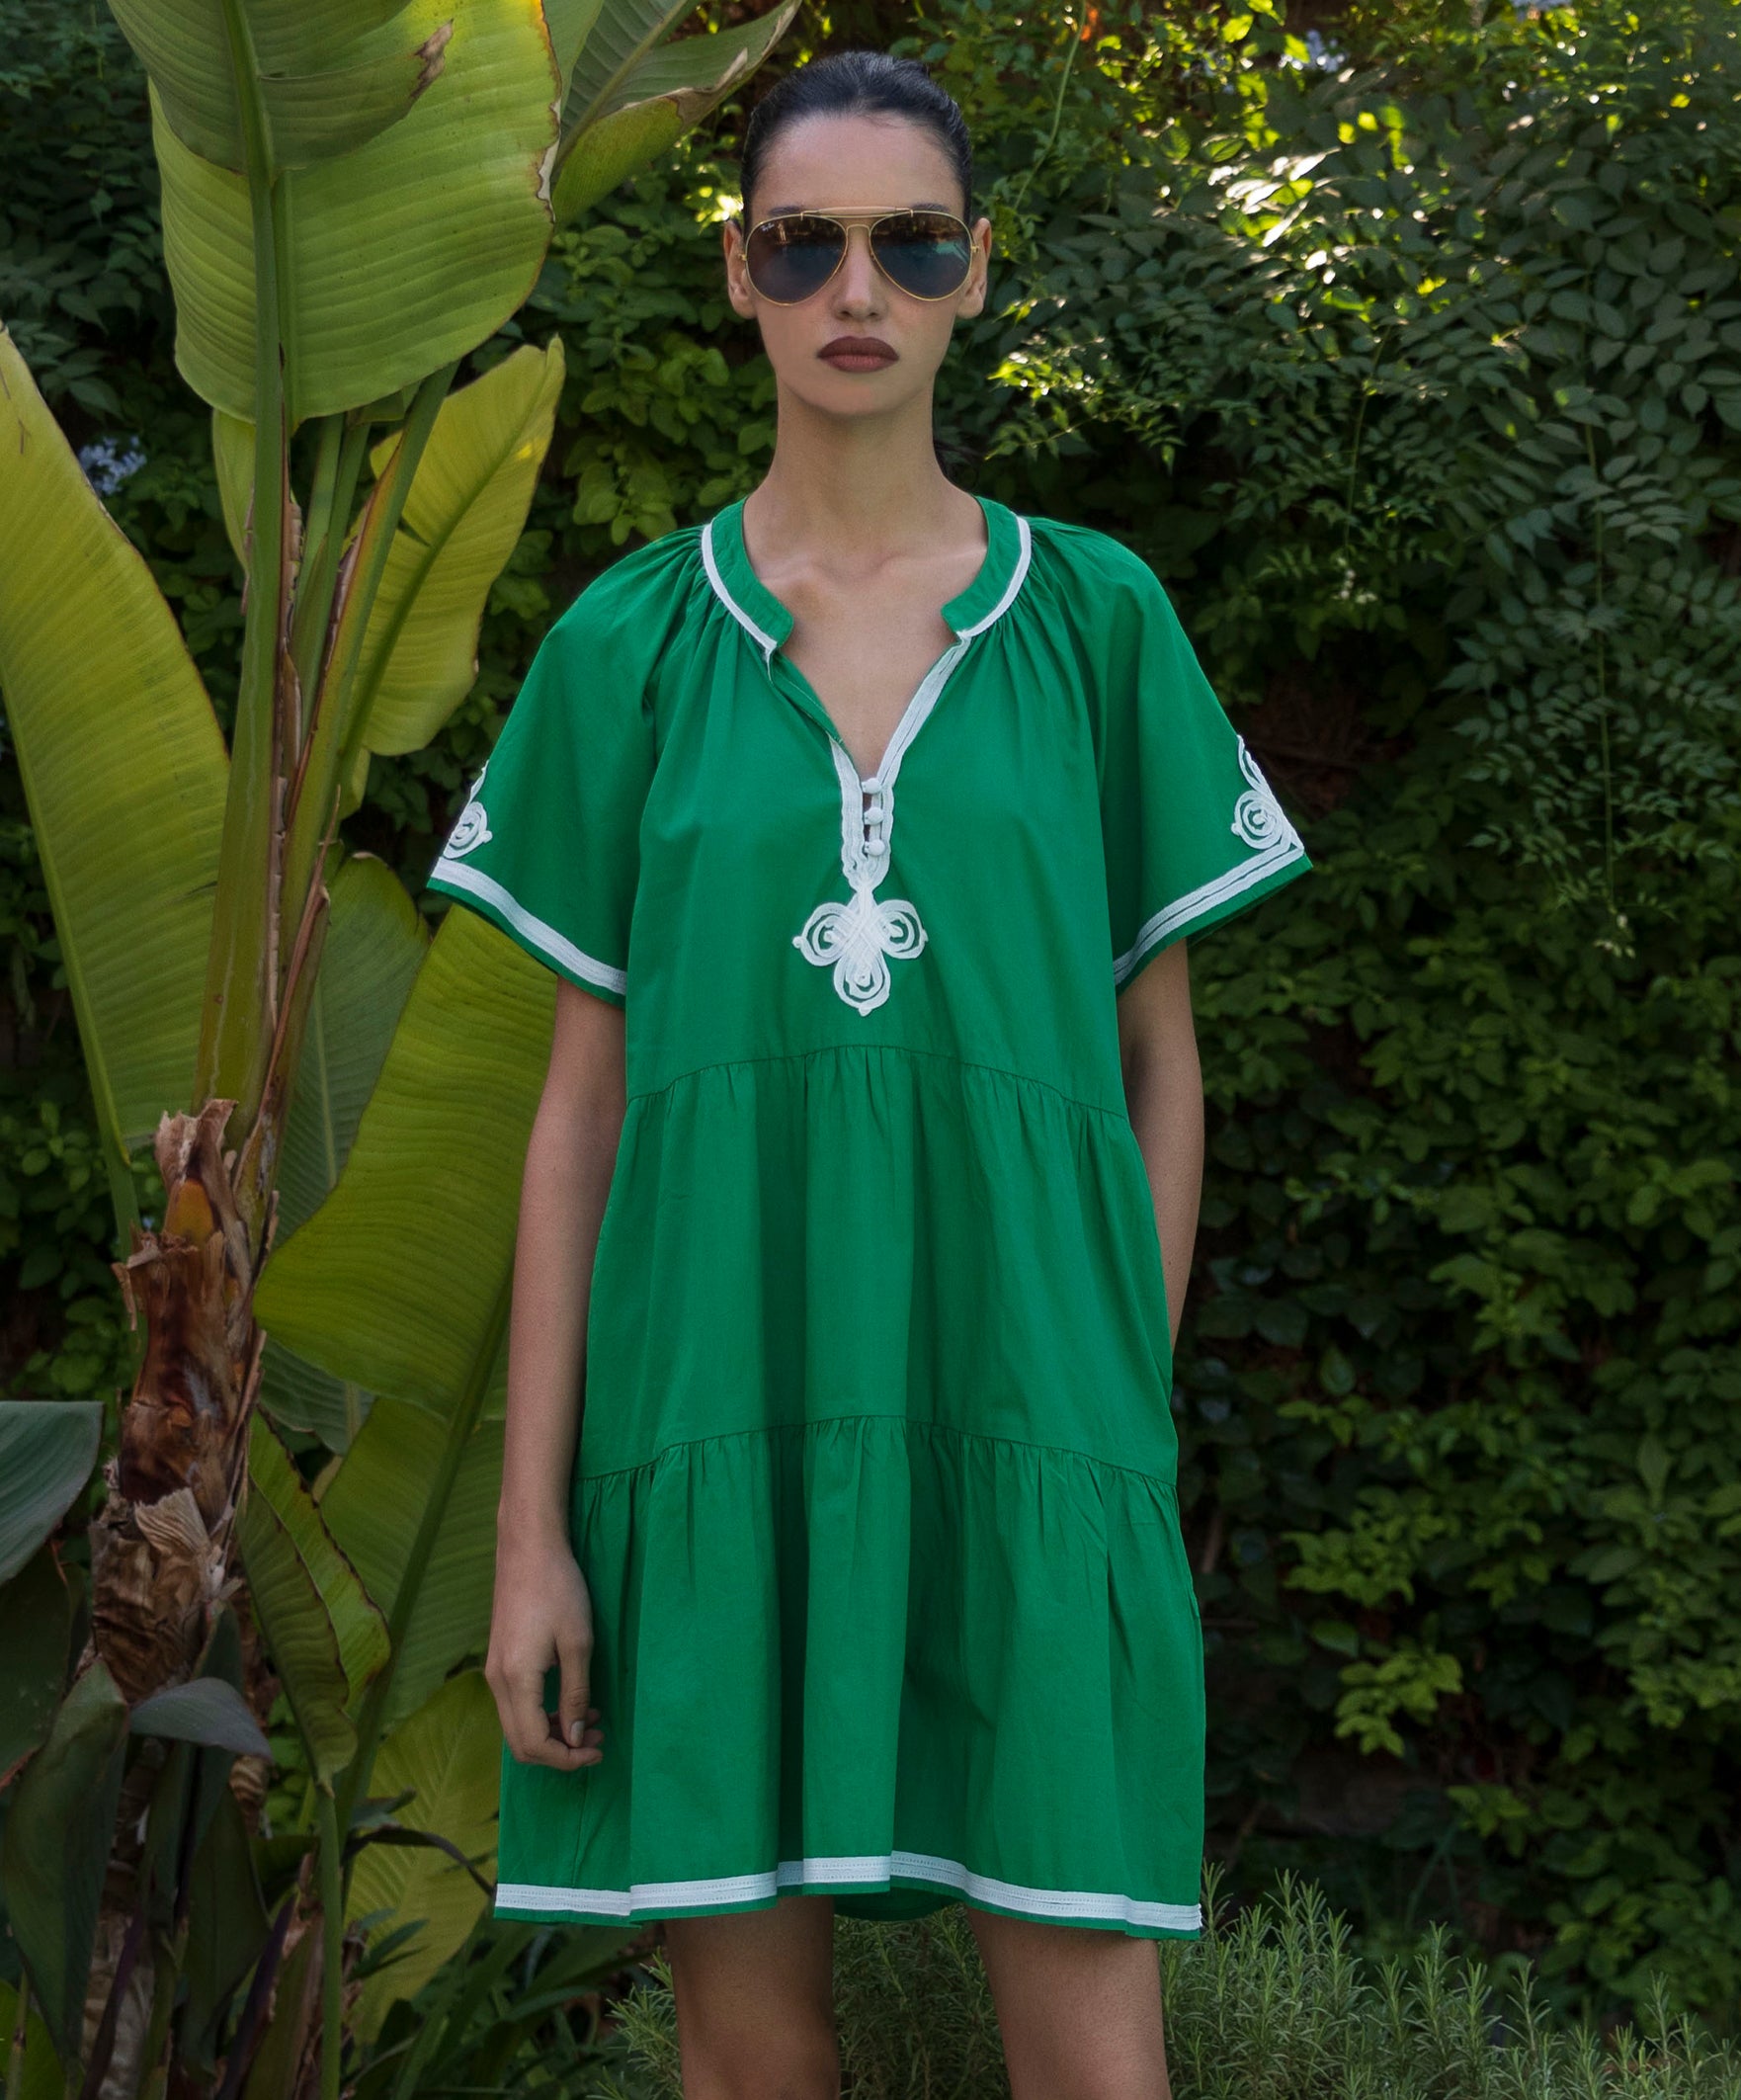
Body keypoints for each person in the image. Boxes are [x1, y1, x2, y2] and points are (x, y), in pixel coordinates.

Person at [426, 47, 1311, 2100]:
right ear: (735, 274)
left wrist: (1110, 1389)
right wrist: (530, 1530)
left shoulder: (1094, 623)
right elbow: (578, 1118)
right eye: (800, 240)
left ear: (973, 271)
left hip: (1029, 1420)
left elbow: (1154, 1061)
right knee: (748, 2064)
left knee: (1094, 2061)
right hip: (706, 1416)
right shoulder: (629, 647)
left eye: (907, 240)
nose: (855, 285)